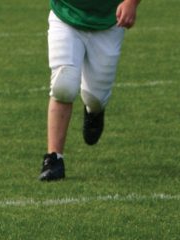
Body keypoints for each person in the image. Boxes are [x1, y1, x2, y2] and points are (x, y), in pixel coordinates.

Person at [39, 0, 142, 181]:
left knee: (95, 98)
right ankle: (54, 159)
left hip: (108, 22)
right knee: (64, 86)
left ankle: (94, 111)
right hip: (66, 14)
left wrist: (131, 2)